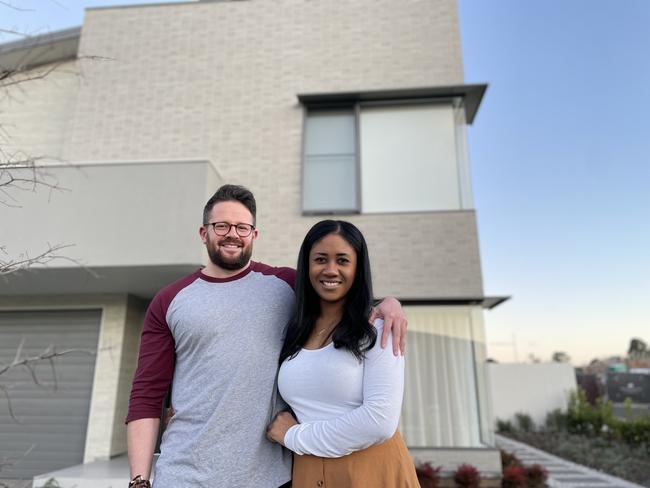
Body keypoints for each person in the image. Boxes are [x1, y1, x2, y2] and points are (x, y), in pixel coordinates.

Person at [126, 185, 408, 488]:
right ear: (203, 232)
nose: (232, 234)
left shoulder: (285, 285)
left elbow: (339, 287)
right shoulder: (170, 300)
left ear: (254, 235)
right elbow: (146, 393)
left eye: (242, 227)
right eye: (221, 225)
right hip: (185, 475)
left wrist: (388, 304)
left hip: (270, 477)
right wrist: (139, 480)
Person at [266, 220, 419, 487]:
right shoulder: (293, 330)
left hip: (372, 471)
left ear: (358, 268)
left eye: (343, 260)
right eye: (321, 259)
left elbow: (379, 421)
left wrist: (293, 436)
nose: (331, 270)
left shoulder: (379, 327)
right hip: (308, 472)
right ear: (307, 266)